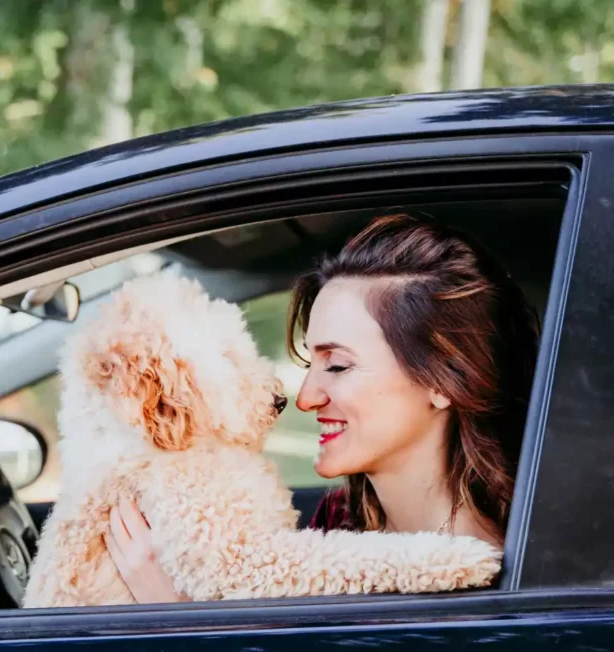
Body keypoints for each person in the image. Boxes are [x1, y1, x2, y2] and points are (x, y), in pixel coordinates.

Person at [103, 213, 541, 604]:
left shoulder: (488, 587)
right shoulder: (338, 522)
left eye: (337, 365)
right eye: (310, 362)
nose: (306, 397)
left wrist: (179, 615)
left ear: (443, 379)